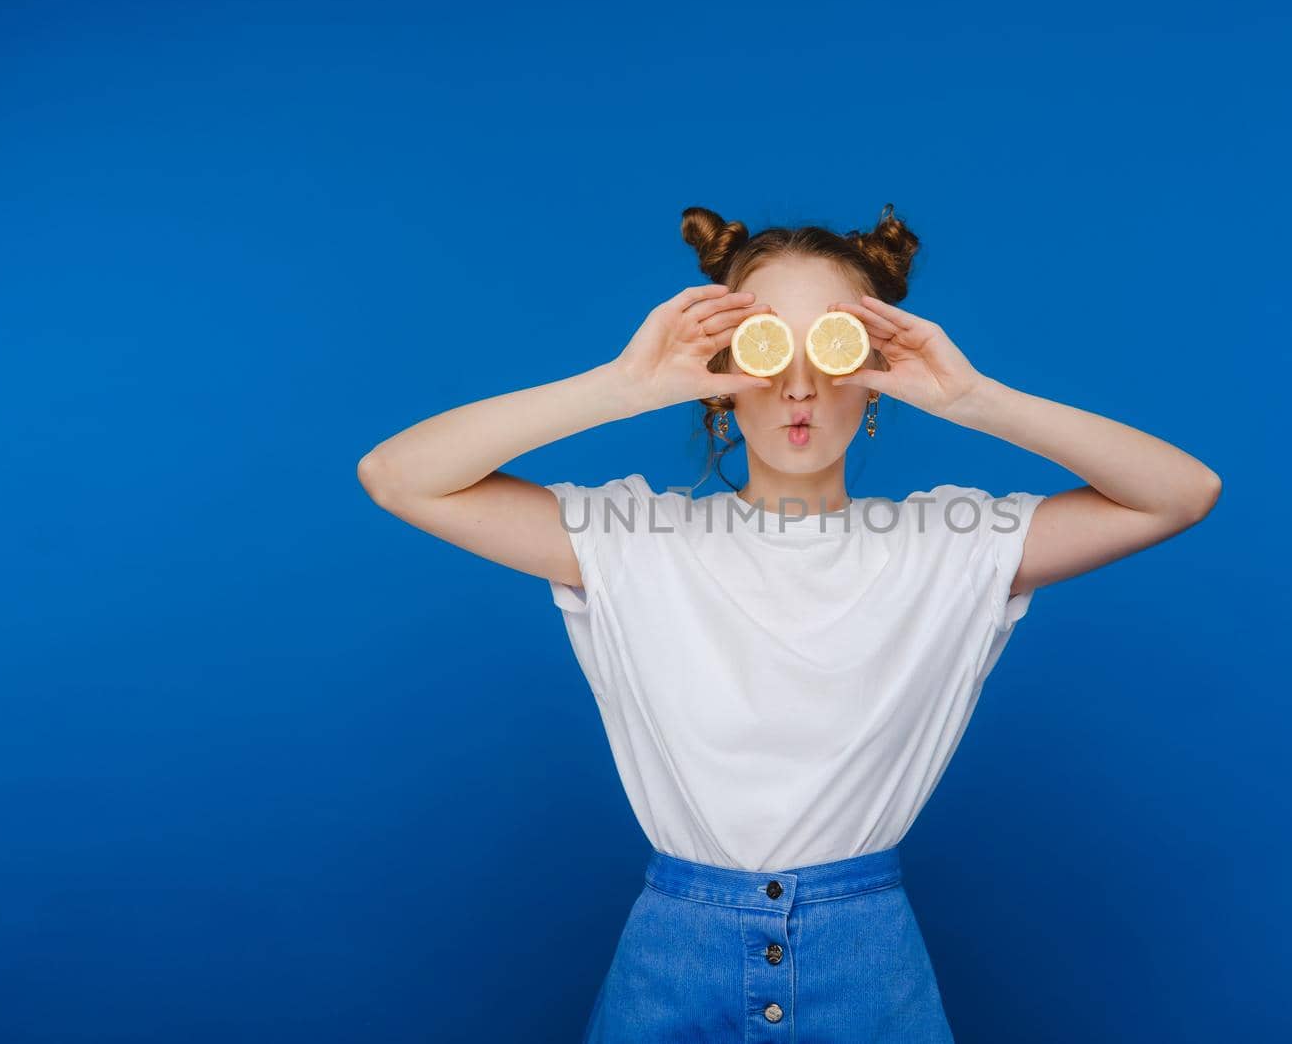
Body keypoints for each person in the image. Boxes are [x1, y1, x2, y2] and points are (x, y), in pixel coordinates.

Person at [356, 203, 1221, 1041]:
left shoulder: (949, 545)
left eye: (831, 349)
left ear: (875, 372)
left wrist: (974, 398)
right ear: (721, 381)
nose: (800, 383)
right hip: (670, 966)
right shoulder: (634, 539)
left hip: (869, 972)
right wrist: (621, 387)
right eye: (765, 347)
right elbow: (399, 475)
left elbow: (1183, 492)